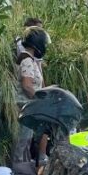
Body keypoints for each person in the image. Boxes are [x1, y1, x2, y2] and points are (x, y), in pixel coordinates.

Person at [14, 27, 50, 165]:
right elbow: (27, 85)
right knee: (22, 141)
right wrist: (40, 99)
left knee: (26, 139)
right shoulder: (27, 60)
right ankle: (19, 170)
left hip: (28, 106)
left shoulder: (30, 59)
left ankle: (24, 166)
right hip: (25, 106)